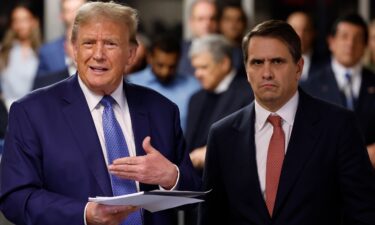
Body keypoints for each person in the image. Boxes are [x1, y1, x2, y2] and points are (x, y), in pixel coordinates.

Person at [0, 2, 201, 225]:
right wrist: (84, 213)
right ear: (74, 49)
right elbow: (16, 198)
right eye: (88, 43)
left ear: (132, 53)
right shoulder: (31, 112)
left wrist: (171, 177)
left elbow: (195, 194)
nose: (98, 54)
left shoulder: (162, 110)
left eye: (110, 44)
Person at [199, 20, 375, 225]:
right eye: (257, 62)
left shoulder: (339, 126)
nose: (266, 73)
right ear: (246, 70)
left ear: (299, 67)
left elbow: (364, 213)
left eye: (277, 61)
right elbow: (211, 217)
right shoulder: (222, 135)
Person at [302, 13, 375, 167]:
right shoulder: (309, 86)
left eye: (358, 38)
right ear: (331, 42)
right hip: (324, 178)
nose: (350, 43)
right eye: (344, 37)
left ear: (365, 45)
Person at [186, 34, 253, 171]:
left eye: (204, 67)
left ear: (224, 64)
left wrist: (211, 153)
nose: (197, 74)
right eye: (195, 68)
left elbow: (250, 144)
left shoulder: (249, 95)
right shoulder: (195, 98)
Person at [128, 34, 200, 131]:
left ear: (179, 60)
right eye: (160, 65)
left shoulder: (194, 87)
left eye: (172, 67)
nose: (165, 72)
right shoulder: (130, 84)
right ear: (150, 58)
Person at [0, 1, 41, 109]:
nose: (20, 25)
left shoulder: (42, 53)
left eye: (24, 20)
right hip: (6, 112)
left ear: (34, 21)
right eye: (16, 20)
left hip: (32, 111)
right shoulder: (4, 51)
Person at [35, 0, 85, 78]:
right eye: (69, 11)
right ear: (61, 15)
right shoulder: (48, 53)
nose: (74, 15)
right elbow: (40, 87)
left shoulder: (101, 48)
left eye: (79, 10)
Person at [177, 0, 218, 76]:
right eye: (201, 19)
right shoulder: (178, 52)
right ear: (191, 22)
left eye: (212, 18)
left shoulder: (235, 55)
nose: (207, 24)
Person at [286, 11, 325, 81]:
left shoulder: (326, 63)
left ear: (313, 33)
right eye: (295, 29)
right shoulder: (274, 63)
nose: (300, 35)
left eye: (306, 30)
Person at [218, 2, 247, 74]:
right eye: (228, 19)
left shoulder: (251, 51)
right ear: (220, 22)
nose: (233, 25)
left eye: (238, 20)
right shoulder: (211, 50)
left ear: (244, 23)